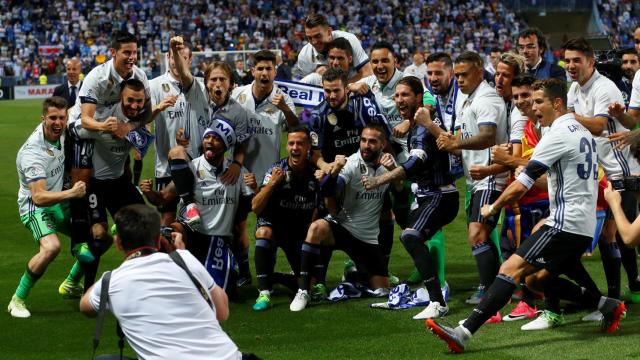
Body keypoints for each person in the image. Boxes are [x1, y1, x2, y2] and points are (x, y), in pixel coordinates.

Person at [426, 79, 626, 353]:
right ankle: (607, 305)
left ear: (557, 103)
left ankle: (463, 332)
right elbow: (554, 179)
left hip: (565, 223)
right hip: (582, 222)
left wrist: (492, 207)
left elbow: (522, 184)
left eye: (538, 102)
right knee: (536, 279)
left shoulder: (556, 135)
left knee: (510, 269)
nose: (532, 108)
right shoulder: (581, 132)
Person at [79, 204, 244, 360]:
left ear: (118, 244)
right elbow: (222, 313)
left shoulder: (110, 281)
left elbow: (85, 306)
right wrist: (183, 254)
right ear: (159, 240)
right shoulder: (186, 260)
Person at [362, 76, 458, 320]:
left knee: (410, 235)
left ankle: (438, 300)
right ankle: (432, 291)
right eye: (396, 96)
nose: (399, 100)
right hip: (426, 195)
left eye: (404, 95)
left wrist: (377, 180)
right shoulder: (417, 124)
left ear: (418, 97)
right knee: (409, 232)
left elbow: (414, 164)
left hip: (439, 195)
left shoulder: (423, 130)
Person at [67, 30, 151, 289]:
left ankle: (142, 278)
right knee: (84, 179)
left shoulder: (140, 76)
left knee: (133, 215)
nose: (132, 57)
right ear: (113, 52)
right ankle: (79, 240)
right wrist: (106, 127)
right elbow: (86, 119)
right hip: (86, 128)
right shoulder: (96, 77)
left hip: (114, 137)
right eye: (127, 52)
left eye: (135, 52)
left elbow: (145, 111)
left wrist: (132, 129)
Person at [290, 124, 397, 312]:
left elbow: (402, 197)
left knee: (382, 289)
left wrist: (394, 173)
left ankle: (354, 274)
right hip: (342, 228)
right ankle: (303, 291)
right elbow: (327, 189)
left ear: (383, 144)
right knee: (316, 228)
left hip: (367, 238)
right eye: (363, 140)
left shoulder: (388, 166)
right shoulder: (351, 163)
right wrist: (335, 171)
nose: (366, 145)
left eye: (372, 141)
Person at [566, 37, 640, 305]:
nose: (572, 65)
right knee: (617, 236)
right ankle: (625, 290)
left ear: (590, 62)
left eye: (577, 60)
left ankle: (619, 294)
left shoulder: (604, 88)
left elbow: (597, 126)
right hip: (599, 170)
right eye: (568, 60)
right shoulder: (574, 89)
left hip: (622, 169)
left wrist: (565, 116)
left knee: (622, 235)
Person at [140, 120, 254, 290]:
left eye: (216, 138)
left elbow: (253, 205)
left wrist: (255, 188)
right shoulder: (192, 168)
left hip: (218, 237)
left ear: (226, 144)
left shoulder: (237, 172)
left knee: (218, 289)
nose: (209, 141)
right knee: (165, 235)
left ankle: (232, 268)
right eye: (207, 137)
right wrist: (149, 192)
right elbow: (163, 197)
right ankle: (160, 283)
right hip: (191, 230)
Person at [436, 51, 508, 312]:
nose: (460, 80)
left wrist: (456, 142)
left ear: (480, 71)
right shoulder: (465, 100)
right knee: (482, 236)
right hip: (475, 179)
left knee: (477, 234)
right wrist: (448, 140)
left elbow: (488, 136)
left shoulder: (486, 98)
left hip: (491, 176)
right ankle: (497, 288)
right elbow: (461, 143)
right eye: (456, 76)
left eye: (464, 75)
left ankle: (491, 295)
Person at [8, 97, 87, 318]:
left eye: (62, 118)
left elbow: (80, 104)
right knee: (51, 247)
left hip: (58, 199)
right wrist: (72, 192)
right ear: (43, 119)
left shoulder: (62, 128)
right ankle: (17, 300)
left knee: (93, 238)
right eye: (52, 118)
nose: (58, 123)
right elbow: (40, 197)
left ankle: (71, 283)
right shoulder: (33, 153)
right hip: (35, 205)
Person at [251, 127, 319, 311]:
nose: (295, 148)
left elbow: (319, 210)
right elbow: (256, 207)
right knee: (263, 232)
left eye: (300, 144)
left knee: (310, 287)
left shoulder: (316, 173)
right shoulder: (276, 170)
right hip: (274, 226)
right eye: (291, 143)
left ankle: (275, 277)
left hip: (297, 233)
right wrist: (272, 184)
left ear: (308, 148)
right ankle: (264, 293)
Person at [293, 13, 372, 82]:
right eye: (309, 38)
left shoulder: (349, 40)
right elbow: (305, 89)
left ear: (329, 32)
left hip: (353, 88)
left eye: (318, 36)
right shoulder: (304, 55)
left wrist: (342, 88)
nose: (314, 42)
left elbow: (367, 72)